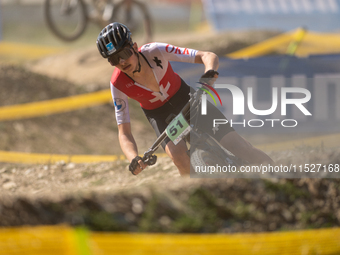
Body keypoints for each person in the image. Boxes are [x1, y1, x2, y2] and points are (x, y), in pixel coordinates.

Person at [96, 22, 273, 176]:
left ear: (134, 47)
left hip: (186, 99)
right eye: (113, 59)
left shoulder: (155, 51)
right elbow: (124, 132)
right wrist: (133, 158)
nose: (121, 62)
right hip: (159, 115)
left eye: (125, 54)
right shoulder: (117, 83)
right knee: (179, 158)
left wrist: (209, 75)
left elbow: (208, 56)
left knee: (239, 147)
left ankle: (282, 174)